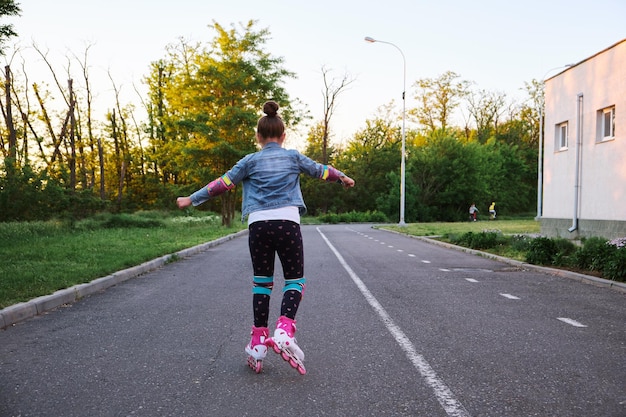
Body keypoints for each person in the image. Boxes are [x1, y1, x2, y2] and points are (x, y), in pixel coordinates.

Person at [176, 101, 355, 375]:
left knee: (262, 283)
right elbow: (321, 170)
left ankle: (258, 342)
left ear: (258, 137)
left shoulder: (249, 161)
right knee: (294, 279)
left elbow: (221, 184)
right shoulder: (293, 157)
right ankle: (284, 330)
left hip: (259, 226)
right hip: (287, 223)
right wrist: (342, 177)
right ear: (283, 136)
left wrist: (191, 199)